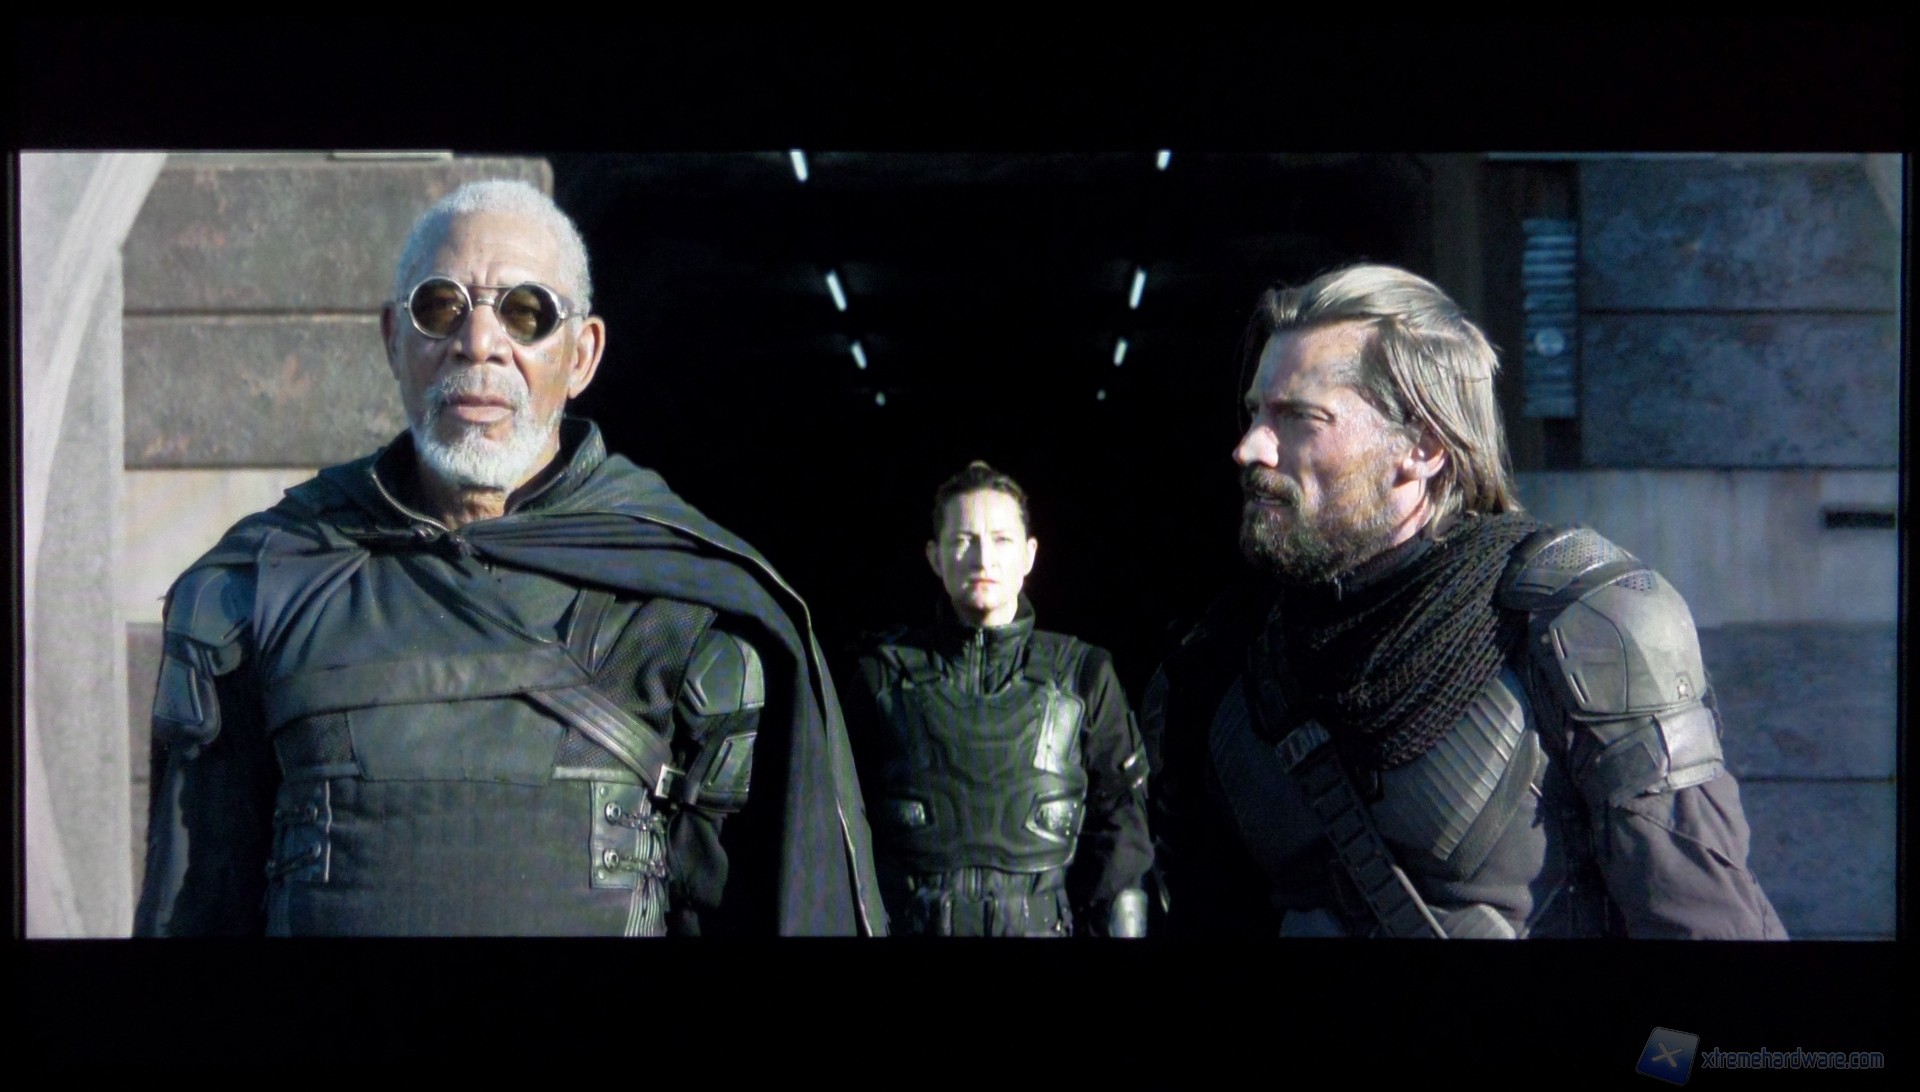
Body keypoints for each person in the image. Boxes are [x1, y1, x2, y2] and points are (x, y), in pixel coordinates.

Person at [133, 179, 885, 937]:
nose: (480, 343)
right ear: (393, 339)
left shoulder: (686, 611)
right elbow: (197, 904)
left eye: (527, 312)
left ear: (581, 355)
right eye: (441, 307)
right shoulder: (269, 583)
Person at [1142, 264, 1786, 939]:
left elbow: (1706, 924)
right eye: (1255, 413)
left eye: (1298, 417)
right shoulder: (1223, 668)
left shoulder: (1580, 624)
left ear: (1422, 447)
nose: (1249, 448)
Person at [844, 462, 1152, 937]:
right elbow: (839, 827)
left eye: (1002, 540)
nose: (983, 558)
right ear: (935, 557)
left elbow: (1122, 835)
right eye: (964, 540)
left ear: (1029, 555)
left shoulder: (1083, 675)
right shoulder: (882, 677)